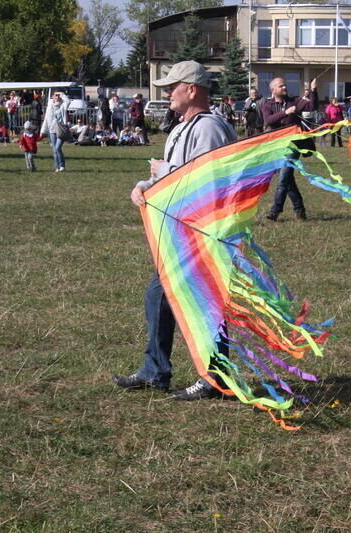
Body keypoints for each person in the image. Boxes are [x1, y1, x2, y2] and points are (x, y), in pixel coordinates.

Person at [112, 60, 238, 401]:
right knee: (158, 296)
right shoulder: (184, 127)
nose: (167, 93)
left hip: (201, 233)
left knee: (206, 305)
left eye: (173, 87)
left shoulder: (209, 127)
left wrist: (164, 169)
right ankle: (155, 371)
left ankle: (216, 379)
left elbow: (208, 181)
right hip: (179, 231)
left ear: (192, 90)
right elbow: (171, 178)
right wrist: (145, 185)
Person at [262, 76, 319, 222]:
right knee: (288, 179)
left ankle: (275, 210)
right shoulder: (267, 105)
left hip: (293, 145)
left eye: (285, 85)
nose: (284, 87)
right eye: (281, 86)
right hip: (276, 146)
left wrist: (313, 90)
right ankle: (299, 209)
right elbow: (268, 120)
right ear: (273, 90)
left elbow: (312, 107)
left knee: (283, 178)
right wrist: (286, 113)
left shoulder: (295, 101)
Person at [40, 91, 71, 171]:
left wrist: (61, 94)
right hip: (52, 129)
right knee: (54, 149)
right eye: (55, 95)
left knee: (57, 148)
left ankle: (62, 165)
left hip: (61, 129)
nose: (56, 97)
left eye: (57, 95)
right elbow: (46, 119)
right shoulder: (50, 106)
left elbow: (68, 101)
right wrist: (43, 130)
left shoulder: (63, 105)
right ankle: (57, 167)